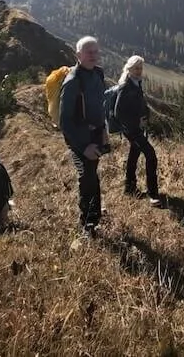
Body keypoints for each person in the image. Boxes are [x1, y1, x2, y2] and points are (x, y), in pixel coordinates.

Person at [59, 35, 109, 236]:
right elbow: (65, 121)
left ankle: (95, 215)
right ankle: (87, 223)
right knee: (86, 177)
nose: (93, 55)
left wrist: (104, 130)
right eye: (88, 51)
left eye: (96, 51)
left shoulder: (98, 73)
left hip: (96, 133)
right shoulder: (72, 82)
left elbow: (100, 105)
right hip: (80, 139)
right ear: (78, 54)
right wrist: (83, 146)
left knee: (92, 173)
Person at [114, 55, 165, 207]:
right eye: (136, 68)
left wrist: (144, 117)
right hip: (132, 130)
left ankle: (129, 188)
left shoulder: (136, 83)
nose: (139, 71)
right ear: (129, 69)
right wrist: (137, 122)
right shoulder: (125, 86)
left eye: (140, 68)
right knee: (151, 156)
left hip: (136, 128)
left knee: (134, 155)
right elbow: (118, 113)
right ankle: (153, 194)